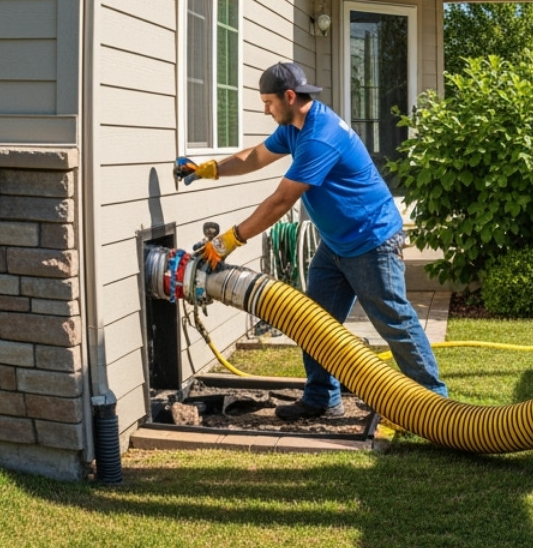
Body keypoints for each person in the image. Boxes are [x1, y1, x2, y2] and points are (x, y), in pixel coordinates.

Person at [174, 61, 446, 420]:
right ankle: (321, 399)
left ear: (289, 97)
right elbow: (256, 156)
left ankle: (435, 406)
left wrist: (228, 241)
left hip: (371, 241)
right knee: (313, 322)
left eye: (269, 102)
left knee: (394, 320)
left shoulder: (319, 135)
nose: (265, 109)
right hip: (336, 244)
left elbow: (281, 200)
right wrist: (210, 169)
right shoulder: (295, 127)